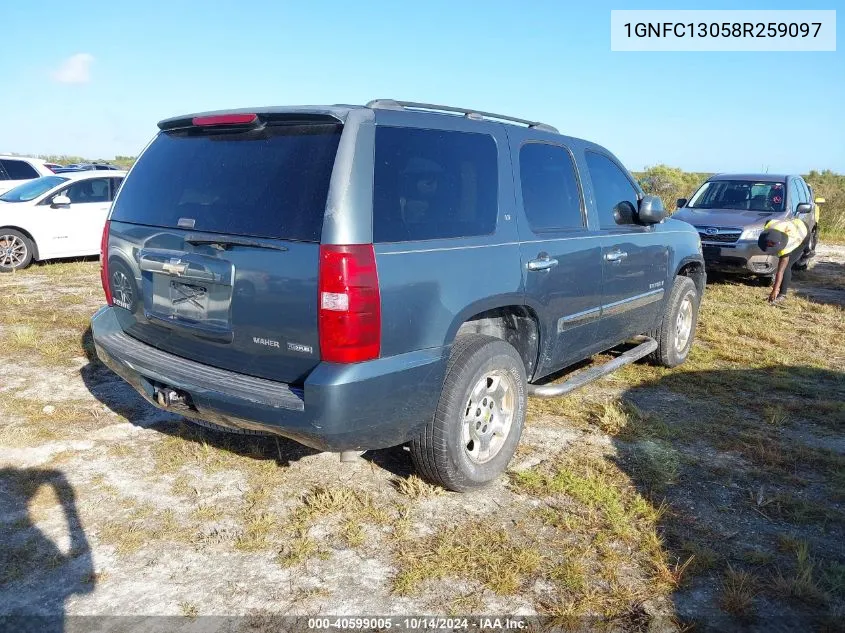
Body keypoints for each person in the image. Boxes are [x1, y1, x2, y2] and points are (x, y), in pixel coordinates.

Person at [757, 216, 809, 304]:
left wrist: (775, 290)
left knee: (787, 266)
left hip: (803, 231)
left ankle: (782, 295)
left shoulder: (787, 246)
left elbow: (780, 272)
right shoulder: (769, 225)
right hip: (793, 224)